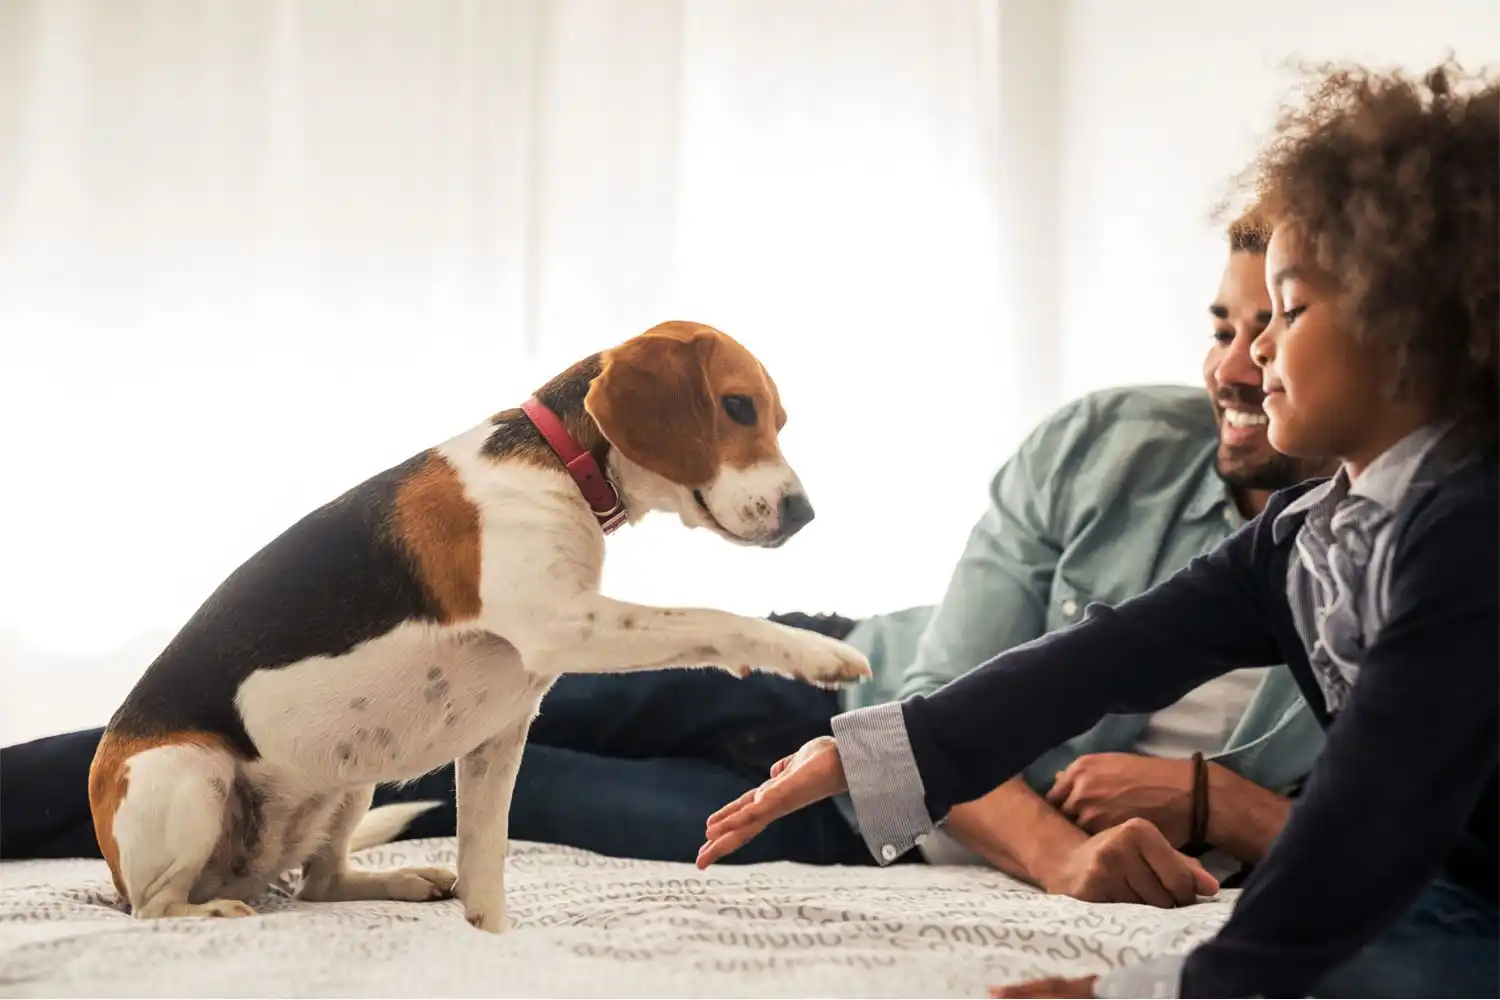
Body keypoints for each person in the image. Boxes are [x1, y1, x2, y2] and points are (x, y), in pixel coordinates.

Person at [0, 215, 1332, 891]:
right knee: (293, 706)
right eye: (1223, 323)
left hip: (862, 836)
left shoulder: (1408, 584)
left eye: (1272, 325)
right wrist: (1063, 862)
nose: (1232, 364)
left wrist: (1228, 813)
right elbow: (926, 712)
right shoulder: (1111, 443)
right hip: (838, 681)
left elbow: (1422, 828)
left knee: (506, 787)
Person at [696, 61, 1499, 999]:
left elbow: (1372, 816)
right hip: (1442, 890)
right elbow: (1110, 653)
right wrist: (871, 752)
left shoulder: (1469, 534)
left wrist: (1143, 995)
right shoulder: (1303, 534)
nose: (1259, 348)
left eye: (1288, 309)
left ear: (1407, 332)